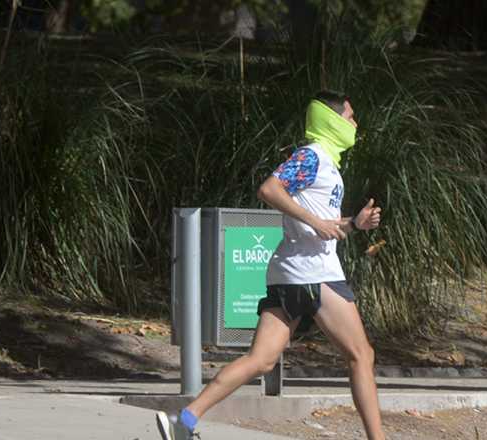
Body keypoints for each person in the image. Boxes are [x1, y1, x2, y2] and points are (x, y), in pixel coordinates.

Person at [156, 90, 385, 440]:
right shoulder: (311, 156)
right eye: (350, 116)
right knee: (361, 355)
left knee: (260, 361)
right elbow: (269, 189)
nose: (355, 124)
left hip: (288, 274)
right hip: (315, 273)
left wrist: (354, 224)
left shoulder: (325, 164)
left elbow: (323, 226)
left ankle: (184, 420)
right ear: (331, 120)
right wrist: (317, 222)